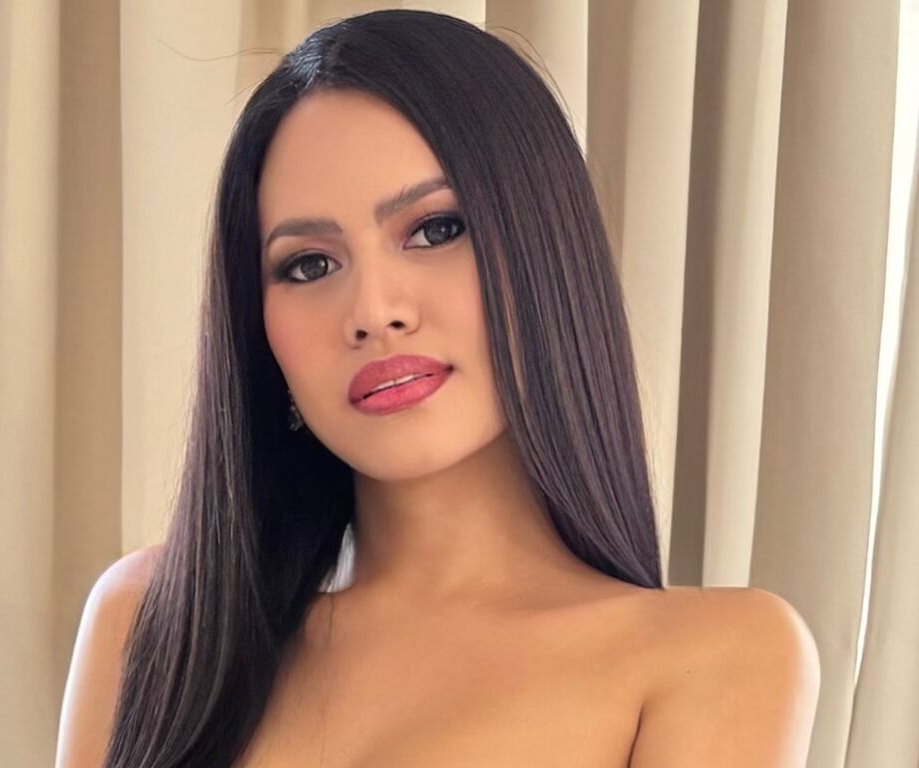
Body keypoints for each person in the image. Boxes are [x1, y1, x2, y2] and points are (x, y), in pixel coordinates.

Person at [56, 9, 820, 768]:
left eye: (435, 230)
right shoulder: (155, 626)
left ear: (545, 252)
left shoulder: (716, 657)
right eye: (309, 265)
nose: (373, 311)